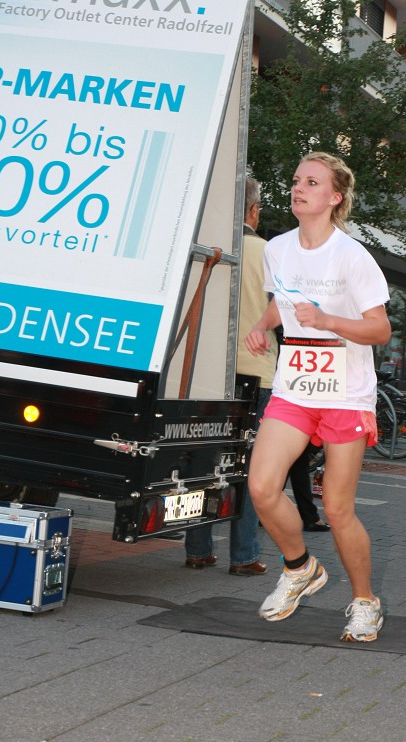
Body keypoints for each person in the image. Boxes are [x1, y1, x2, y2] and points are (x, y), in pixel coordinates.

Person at [245, 151, 391, 641]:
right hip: (296, 386)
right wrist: (262, 326)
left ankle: (365, 601)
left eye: (312, 181)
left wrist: (328, 321)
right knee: (262, 486)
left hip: (346, 394)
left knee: (336, 508)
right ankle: (300, 568)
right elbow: (282, 301)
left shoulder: (353, 257)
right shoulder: (278, 249)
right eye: (295, 179)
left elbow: (380, 329)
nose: (299, 187)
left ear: (334, 198)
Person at [184, 177, 273, 575]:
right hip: (257, 374)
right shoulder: (269, 254)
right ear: (253, 211)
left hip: (205, 371)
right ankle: (244, 555)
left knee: (203, 460)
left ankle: (198, 548)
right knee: (253, 467)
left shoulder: (207, 252)